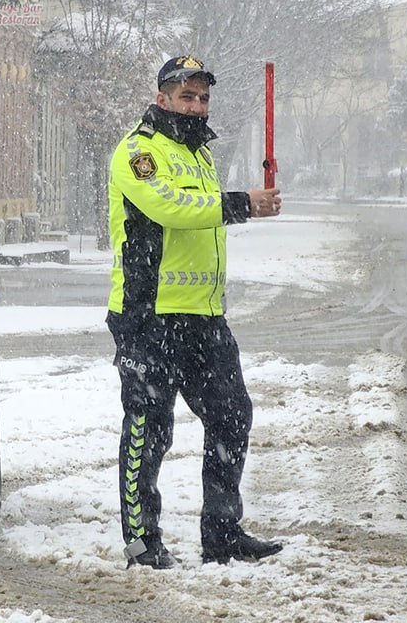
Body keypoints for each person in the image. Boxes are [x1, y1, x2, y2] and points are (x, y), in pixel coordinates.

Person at [106, 54, 283, 569]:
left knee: (231, 416)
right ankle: (143, 541)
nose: (196, 105)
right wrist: (241, 204)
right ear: (162, 97)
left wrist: (240, 205)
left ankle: (222, 535)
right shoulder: (138, 151)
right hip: (148, 316)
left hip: (204, 318)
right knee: (150, 429)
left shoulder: (199, 154)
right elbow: (171, 209)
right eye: (186, 95)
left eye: (203, 97)